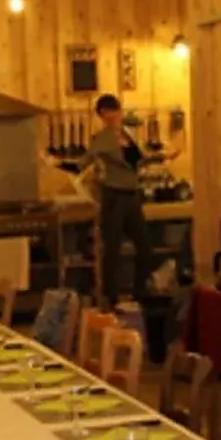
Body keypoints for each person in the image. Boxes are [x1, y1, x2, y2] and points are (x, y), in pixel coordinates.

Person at [53, 94, 179, 307]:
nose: (113, 115)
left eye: (115, 111)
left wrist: (164, 156)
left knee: (144, 245)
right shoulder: (102, 139)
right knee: (113, 247)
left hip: (132, 194)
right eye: (108, 112)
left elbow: (139, 159)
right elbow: (81, 165)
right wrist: (56, 163)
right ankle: (111, 297)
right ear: (102, 116)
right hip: (114, 196)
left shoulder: (127, 135)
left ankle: (139, 291)